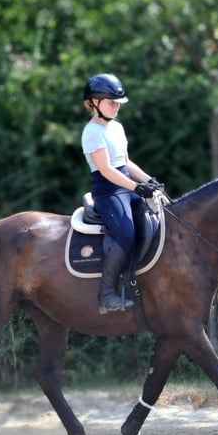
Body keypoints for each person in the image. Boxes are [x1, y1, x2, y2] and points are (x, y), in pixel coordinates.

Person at [81, 73, 162, 314]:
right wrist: (137, 187)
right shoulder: (92, 132)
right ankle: (106, 295)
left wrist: (149, 181)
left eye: (118, 103)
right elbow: (106, 169)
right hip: (108, 192)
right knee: (126, 234)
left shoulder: (117, 128)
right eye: (111, 102)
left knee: (153, 219)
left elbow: (125, 162)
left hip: (125, 185)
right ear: (94, 102)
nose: (117, 107)